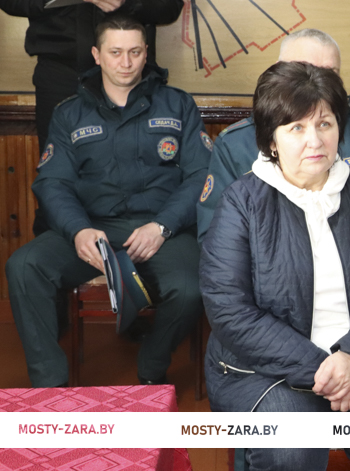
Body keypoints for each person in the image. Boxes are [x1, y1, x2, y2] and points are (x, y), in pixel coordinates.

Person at [200, 61, 350, 471]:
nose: (315, 140)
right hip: (265, 369)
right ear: (271, 140)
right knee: (289, 453)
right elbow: (229, 308)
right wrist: (328, 373)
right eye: (296, 128)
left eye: (325, 124)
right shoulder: (242, 203)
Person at [5, 14, 208, 388]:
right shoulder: (69, 112)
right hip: (93, 227)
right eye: (115, 52)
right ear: (97, 55)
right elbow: (52, 182)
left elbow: (202, 176)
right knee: (24, 266)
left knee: (191, 288)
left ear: (146, 53)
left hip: (160, 228)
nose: (125, 62)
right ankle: (48, 385)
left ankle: (152, 367)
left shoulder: (178, 105)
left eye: (134, 52)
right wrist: (77, 230)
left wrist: (162, 226)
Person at [197, 29, 350, 241]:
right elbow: (216, 233)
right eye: (303, 72)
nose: (316, 83)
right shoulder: (235, 143)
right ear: (277, 71)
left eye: (329, 73)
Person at [0, 0, 183, 152]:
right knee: (58, 166)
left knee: (138, 164)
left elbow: (170, 6)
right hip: (60, 76)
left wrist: (127, 2)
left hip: (129, 75)